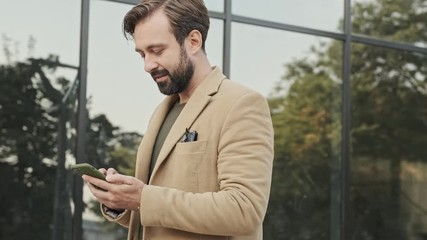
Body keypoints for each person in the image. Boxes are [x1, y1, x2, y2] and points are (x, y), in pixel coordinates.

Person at [82, 0, 274, 239]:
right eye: (142, 54)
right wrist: (121, 200)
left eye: (157, 50)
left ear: (194, 41)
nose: (147, 65)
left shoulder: (241, 104)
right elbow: (158, 215)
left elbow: (244, 210)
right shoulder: (162, 112)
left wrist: (143, 197)